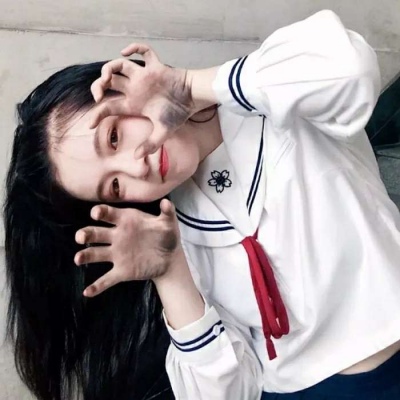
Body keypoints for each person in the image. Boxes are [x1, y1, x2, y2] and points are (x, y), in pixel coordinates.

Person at [5, 9, 400, 400]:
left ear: (122, 86)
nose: (136, 167)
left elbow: (353, 70)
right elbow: (232, 393)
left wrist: (191, 86)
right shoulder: (174, 238)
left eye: (113, 137)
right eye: (115, 186)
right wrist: (170, 273)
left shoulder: (271, 92)